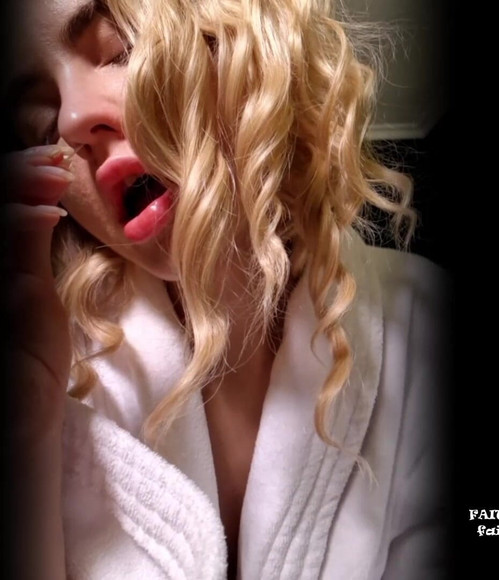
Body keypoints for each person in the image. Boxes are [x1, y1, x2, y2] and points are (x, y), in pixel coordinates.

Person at [0, 0, 446, 578]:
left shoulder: (422, 323)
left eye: (120, 49)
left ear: (240, 39)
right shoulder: (52, 366)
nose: (72, 120)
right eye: (40, 124)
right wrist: (30, 436)